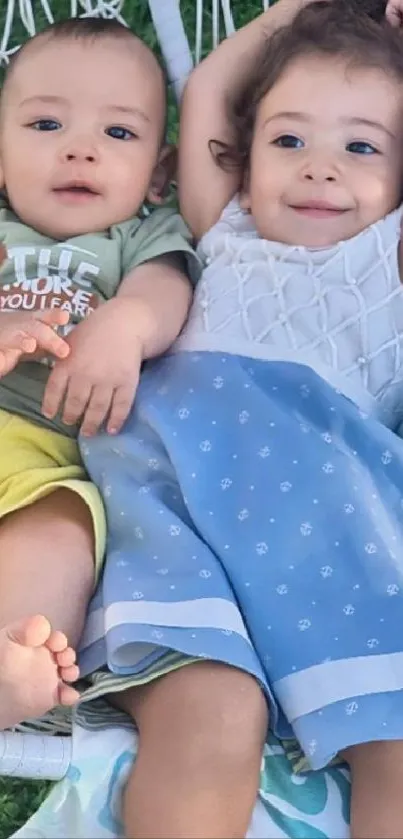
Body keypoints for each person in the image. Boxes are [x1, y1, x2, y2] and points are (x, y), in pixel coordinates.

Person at [80, 0, 403, 837]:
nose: (318, 169)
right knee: (210, 719)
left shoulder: (386, 257)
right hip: (180, 520)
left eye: (361, 146)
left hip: (329, 538)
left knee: (397, 737)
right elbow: (217, 84)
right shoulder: (220, 227)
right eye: (286, 140)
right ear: (243, 154)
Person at [0, 17, 197, 732]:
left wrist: (122, 325)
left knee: (61, 535)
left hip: (49, 454)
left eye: (118, 134)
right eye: (46, 123)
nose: (80, 147)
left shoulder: (142, 236)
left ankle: (14, 656)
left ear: (159, 172)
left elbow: (163, 292)